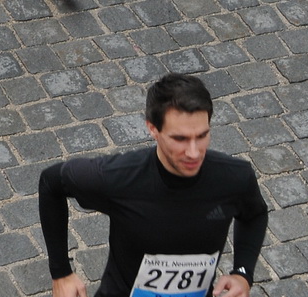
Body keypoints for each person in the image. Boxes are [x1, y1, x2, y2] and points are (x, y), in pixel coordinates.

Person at [38, 73, 269, 297]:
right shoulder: (117, 177)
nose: (193, 152)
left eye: (202, 136)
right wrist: (61, 273)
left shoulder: (234, 177)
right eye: (180, 139)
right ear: (153, 129)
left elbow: (254, 214)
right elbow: (51, 183)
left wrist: (243, 273)